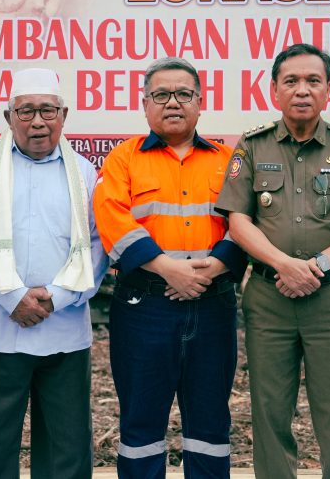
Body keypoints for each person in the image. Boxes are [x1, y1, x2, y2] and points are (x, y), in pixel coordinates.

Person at [215, 43, 330, 479]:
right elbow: (238, 222)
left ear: (329, 89)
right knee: (269, 409)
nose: (302, 90)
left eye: (313, 81)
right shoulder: (252, 146)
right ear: (274, 89)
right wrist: (284, 264)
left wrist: (316, 267)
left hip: (329, 298)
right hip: (268, 297)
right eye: (291, 81)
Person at [0, 68, 108, 479]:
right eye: (26, 111)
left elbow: (97, 243)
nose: (38, 121)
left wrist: (58, 296)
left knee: (65, 455)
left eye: (47, 110)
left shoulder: (84, 173)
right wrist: (11, 296)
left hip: (63, 333)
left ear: (63, 115)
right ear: (8, 117)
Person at [93, 57, 247, 479]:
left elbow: (246, 221)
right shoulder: (124, 159)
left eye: (183, 94)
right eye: (161, 95)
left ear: (200, 102)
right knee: (141, 423)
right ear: (145, 104)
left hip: (212, 305)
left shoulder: (229, 160)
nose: (173, 102)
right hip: (144, 308)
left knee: (210, 423)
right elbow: (112, 219)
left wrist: (212, 269)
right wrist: (167, 269)